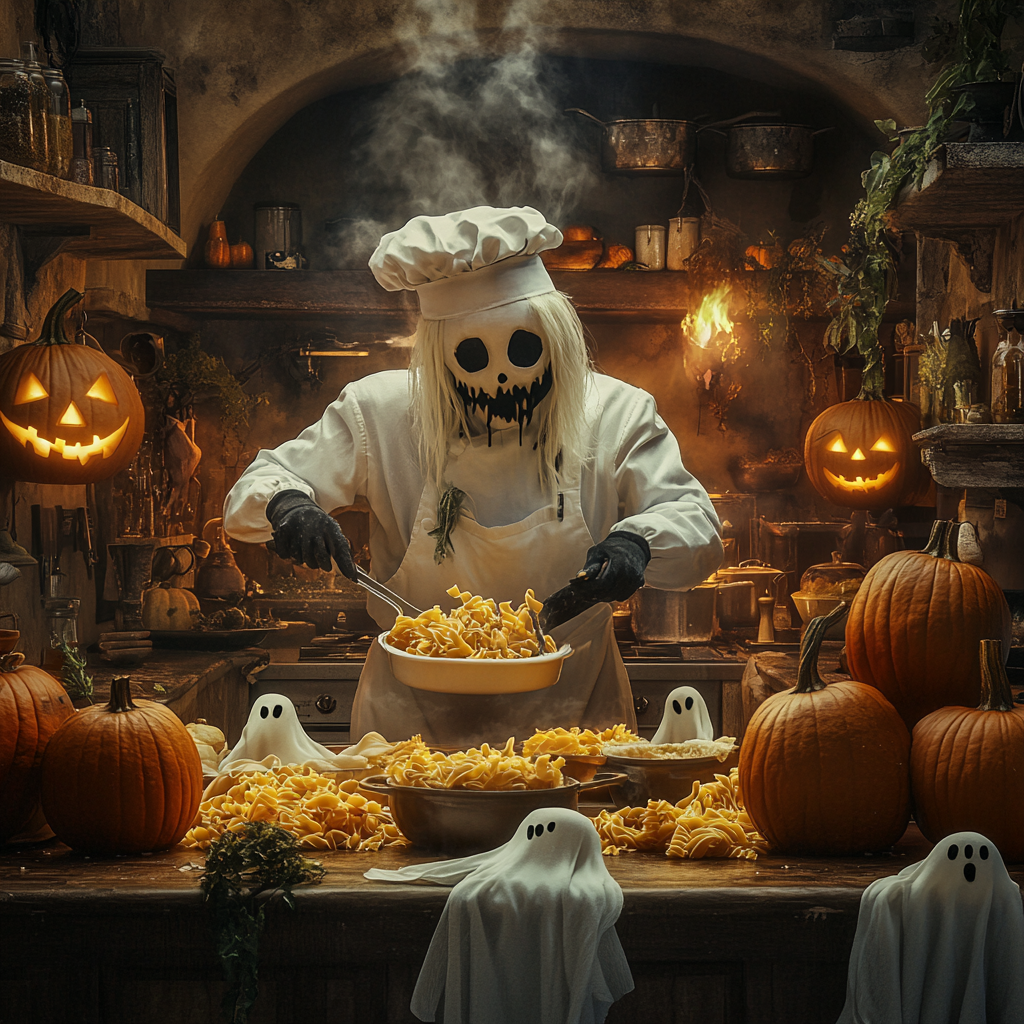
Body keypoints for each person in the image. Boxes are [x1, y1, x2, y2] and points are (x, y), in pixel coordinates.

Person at [223, 206, 722, 745]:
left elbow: (698, 529)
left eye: (523, 349)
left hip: (576, 729)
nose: (502, 374)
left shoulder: (615, 414)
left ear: (554, 340)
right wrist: (289, 505)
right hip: (410, 735)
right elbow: (252, 494)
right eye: (473, 356)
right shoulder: (382, 412)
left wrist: (638, 543)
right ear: (440, 358)